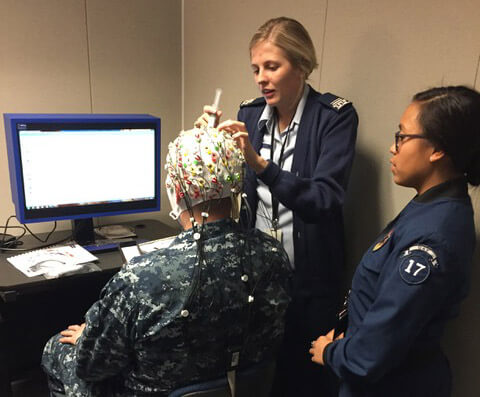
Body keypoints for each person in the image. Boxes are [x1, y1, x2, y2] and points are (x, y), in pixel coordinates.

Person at [41, 126, 292, 396]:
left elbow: (91, 367)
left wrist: (86, 341)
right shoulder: (274, 255)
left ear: (175, 190)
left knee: (58, 349)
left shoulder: (141, 279)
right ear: (237, 183)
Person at [195, 16, 358, 396]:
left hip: (311, 282)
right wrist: (210, 144)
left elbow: (323, 199)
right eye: (255, 69)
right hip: (259, 278)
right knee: (260, 376)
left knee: (304, 381)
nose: (261, 78)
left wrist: (260, 164)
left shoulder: (334, 117)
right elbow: (228, 187)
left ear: (301, 66)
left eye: (272, 66)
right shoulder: (250, 114)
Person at [309, 85, 480, 396]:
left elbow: (369, 356)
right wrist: (348, 332)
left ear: (437, 148)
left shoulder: (433, 237)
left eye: (402, 136)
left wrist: (330, 352)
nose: (393, 147)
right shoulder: (429, 205)